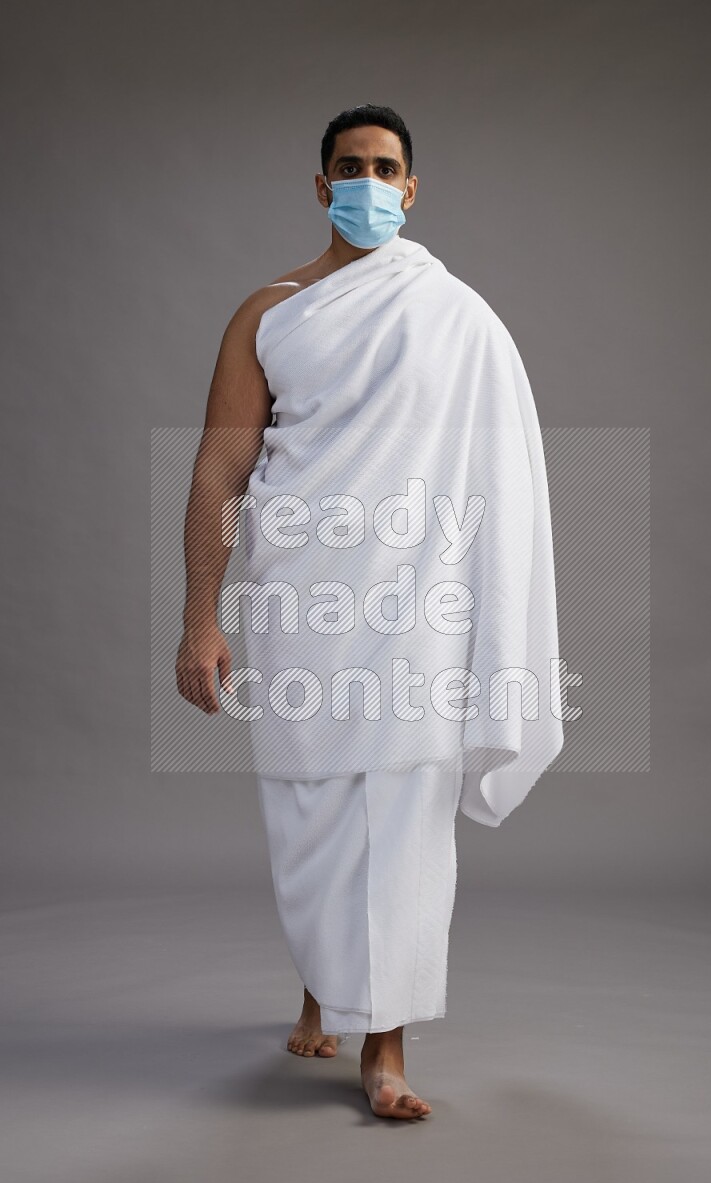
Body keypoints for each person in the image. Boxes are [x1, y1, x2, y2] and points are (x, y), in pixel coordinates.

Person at [176, 104, 564, 1120]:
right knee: (310, 814)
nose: (365, 181)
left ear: (411, 187)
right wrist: (200, 618)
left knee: (400, 816)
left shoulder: (458, 317)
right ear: (318, 185)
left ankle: (382, 1049)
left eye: (384, 167)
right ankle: (322, 985)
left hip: (417, 609)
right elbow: (221, 467)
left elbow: (499, 479)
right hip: (300, 600)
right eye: (347, 167)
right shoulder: (269, 312)